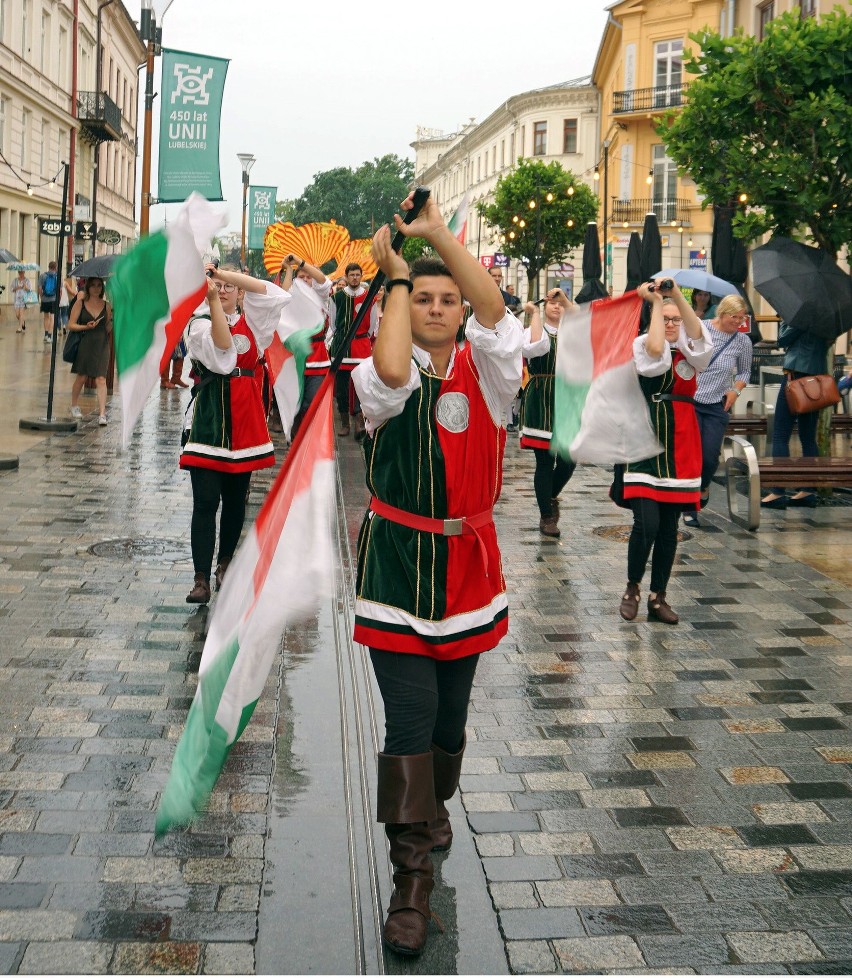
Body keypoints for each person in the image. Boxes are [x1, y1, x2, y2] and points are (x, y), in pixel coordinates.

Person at [351, 193, 522, 957]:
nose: (438, 306)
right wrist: (393, 279)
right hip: (395, 566)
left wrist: (438, 239)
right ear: (403, 303)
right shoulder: (379, 373)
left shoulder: (492, 372)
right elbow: (391, 368)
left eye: (447, 298)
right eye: (422, 297)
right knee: (410, 728)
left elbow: (493, 308)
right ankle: (410, 880)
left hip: (469, 568)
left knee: (449, 729)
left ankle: (433, 804)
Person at [180, 263, 289, 604]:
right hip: (209, 425)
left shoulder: (255, 323)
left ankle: (224, 564)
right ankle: (201, 578)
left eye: (230, 285)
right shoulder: (197, 324)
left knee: (235, 504)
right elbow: (224, 353)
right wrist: (212, 300)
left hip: (244, 426)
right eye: (217, 284)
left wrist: (225, 276)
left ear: (240, 290)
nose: (223, 289)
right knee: (205, 502)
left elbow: (273, 293)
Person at [618, 281, 713, 625]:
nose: (672, 324)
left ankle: (659, 597)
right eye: (666, 318)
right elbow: (656, 354)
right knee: (646, 524)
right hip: (646, 440)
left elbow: (700, 340)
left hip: (683, 443)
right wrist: (657, 303)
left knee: (669, 528)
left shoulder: (692, 349)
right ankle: (632, 588)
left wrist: (676, 300)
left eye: (676, 319)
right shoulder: (642, 343)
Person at [685, 294, 753, 527]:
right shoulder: (701, 328)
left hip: (716, 404)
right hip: (689, 401)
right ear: (722, 313)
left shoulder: (742, 341)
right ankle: (689, 507)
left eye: (742, 318)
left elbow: (744, 373)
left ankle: (703, 486)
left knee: (709, 456)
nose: (738, 322)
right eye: (734, 317)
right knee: (689, 455)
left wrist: (735, 390)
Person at [520, 291, 576, 537]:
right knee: (544, 461)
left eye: (560, 303)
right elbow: (536, 347)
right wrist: (535, 313)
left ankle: (549, 495)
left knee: (569, 459)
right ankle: (546, 516)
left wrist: (565, 300)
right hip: (541, 395)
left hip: (566, 397)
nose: (556, 306)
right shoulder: (534, 328)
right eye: (551, 303)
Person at [760, 321, 833, 510]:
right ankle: (808, 491)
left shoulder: (801, 313)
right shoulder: (827, 317)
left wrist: (787, 322)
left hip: (795, 377)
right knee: (808, 437)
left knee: (780, 434)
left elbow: (782, 339)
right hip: (816, 377)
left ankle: (777, 492)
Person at [279, 253, 332, 435]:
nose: (305, 279)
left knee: (312, 404)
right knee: (295, 404)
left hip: (317, 358)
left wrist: (300, 263)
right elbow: (282, 298)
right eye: (301, 277)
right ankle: (296, 440)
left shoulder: (320, 296)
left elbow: (323, 281)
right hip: (294, 359)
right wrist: (288, 269)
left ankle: (309, 440)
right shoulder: (292, 296)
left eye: (308, 277)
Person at [327, 262, 374, 440]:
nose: (355, 278)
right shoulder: (337, 297)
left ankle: (359, 420)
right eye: (352, 275)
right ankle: (345, 422)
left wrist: (361, 339)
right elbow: (333, 323)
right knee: (341, 388)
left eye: (357, 275)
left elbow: (371, 326)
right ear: (346, 277)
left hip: (361, 347)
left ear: (361, 277)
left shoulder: (369, 297)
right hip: (341, 347)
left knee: (361, 386)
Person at [68, 277, 113, 425]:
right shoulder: (80, 303)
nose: (96, 288)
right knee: (82, 376)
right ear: (88, 287)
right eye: (93, 285)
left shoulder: (107, 306)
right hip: (85, 343)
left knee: (101, 378)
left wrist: (113, 320)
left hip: (101, 344)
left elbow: (107, 328)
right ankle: (74, 405)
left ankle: (102, 414)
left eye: (99, 285)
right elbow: (71, 325)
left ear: (102, 288)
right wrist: (86, 326)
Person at [38, 260, 59, 343]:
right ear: (56, 268)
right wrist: (58, 299)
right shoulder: (57, 276)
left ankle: (46, 335)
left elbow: (39, 288)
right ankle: (50, 336)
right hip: (54, 299)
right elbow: (59, 290)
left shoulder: (43, 276)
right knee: (52, 318)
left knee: (46, 317)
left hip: (45, 299)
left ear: (49, 267)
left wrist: (41, 296)